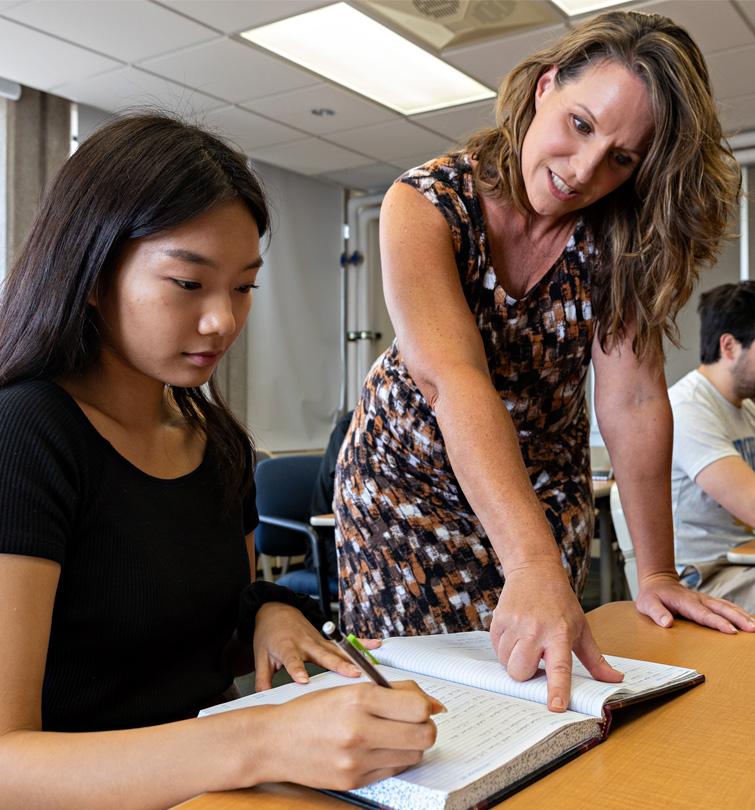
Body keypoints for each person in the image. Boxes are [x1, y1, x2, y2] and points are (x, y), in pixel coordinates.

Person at [0, 114, 441, 808]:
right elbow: (6, 762)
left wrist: (265, 614)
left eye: (242, 288)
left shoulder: (215, 440)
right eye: (187, 283)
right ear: (90, 274)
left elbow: (202, 638)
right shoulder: (24, 433)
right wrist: (263, 740)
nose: (222, 322)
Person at [335, 9, 755, 715]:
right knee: (419, 710)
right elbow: (453, 378)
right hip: (407, 496)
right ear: (544, 86)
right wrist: (526, 563)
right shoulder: (428, 202)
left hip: (538, 495)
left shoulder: (615, 239)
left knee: (539, 702)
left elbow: (632, 402)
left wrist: (653, 570)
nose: (582, 171)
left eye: (620, 158)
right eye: (580, 125)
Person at [669, 282, 755, 612]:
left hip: (743, 562)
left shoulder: (745, 409)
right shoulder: (688, 408)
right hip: (704, 577)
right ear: (729, 346)